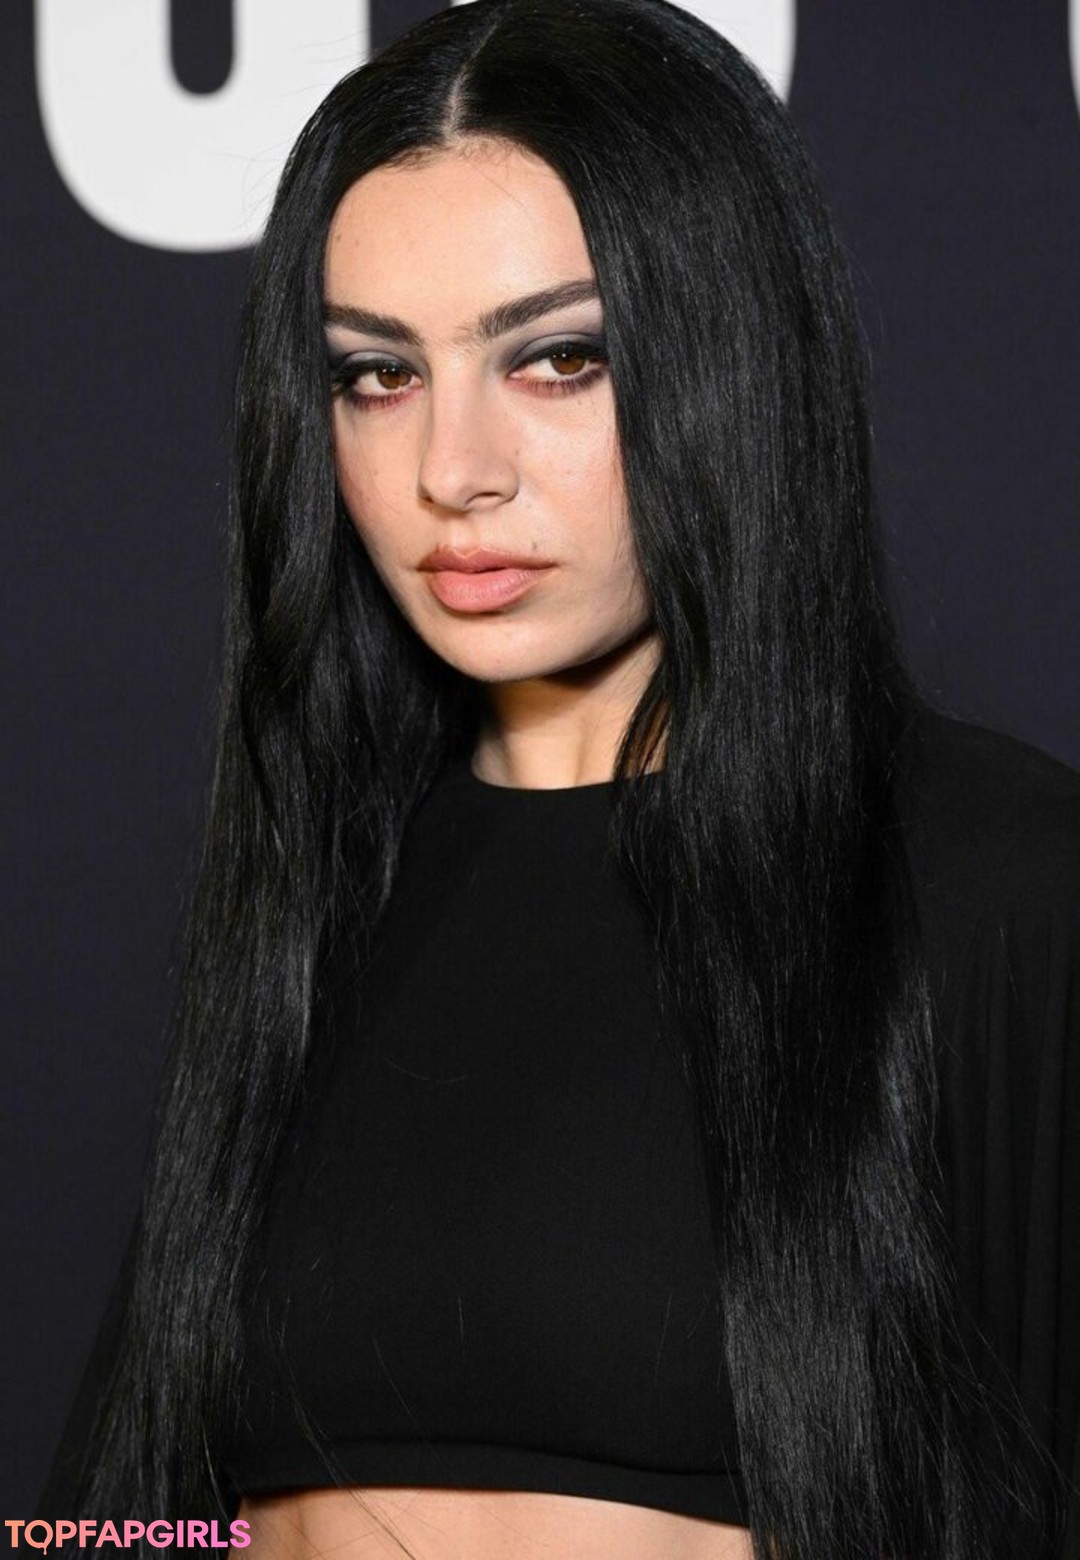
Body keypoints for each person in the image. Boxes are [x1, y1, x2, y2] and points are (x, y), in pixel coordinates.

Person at [35, 0, 1080, 1556]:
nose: (452, 470)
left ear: (730, 357)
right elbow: (127, 1518)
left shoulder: (996, 888)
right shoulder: (319, 890)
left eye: (559, 358)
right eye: (375, 375)